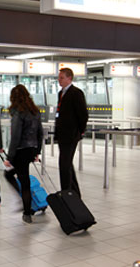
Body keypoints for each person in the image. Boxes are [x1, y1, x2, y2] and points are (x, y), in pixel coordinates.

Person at [2, 85, 43, 223]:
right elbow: (40, 133)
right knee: (15, 175)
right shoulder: (35, 111)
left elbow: (16, 137)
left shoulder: (18, 112)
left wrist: (10, 157)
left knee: (22, 180)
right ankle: (26, 202)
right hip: (31, 149)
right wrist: (37, 152)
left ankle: (27, 212)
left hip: (20, 151)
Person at [54, 68, 88, 198]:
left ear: (69, 78)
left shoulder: (76, 93)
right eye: (59, 77)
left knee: (64, 164)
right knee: (67, 164)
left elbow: (83, 115)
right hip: (62, 134)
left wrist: (80, 131)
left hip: (71, 135)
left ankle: (66, 193)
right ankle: (75, 193)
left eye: (61, 78)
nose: (59, 80)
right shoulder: (60, 93)